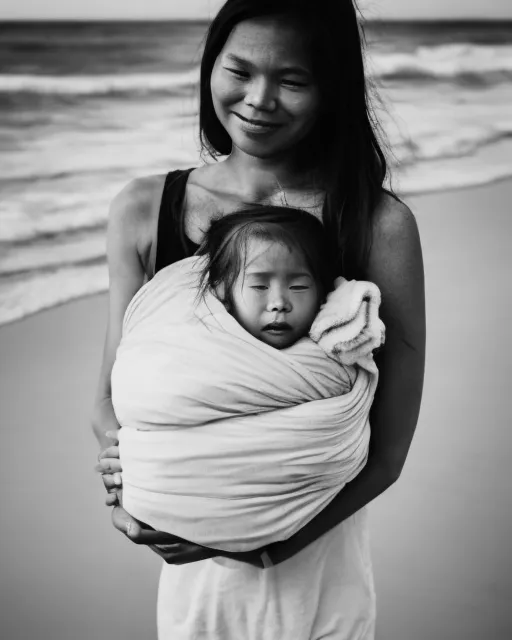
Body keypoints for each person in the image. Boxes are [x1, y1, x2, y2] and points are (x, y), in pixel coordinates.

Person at [93, 0, 426, 637]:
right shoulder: (144, 210)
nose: (259, 99)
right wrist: (125, 499)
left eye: (292, 80)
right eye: (239, 71)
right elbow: (109, 398)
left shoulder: (378, 226)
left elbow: (385, 455)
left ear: (332, 89)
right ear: (210, 68)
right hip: (193, 583)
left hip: (320, 578)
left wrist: (267, 548)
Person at [111, 205, 383, 557]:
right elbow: (143, 400)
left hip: (316, 539)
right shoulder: (198, 356)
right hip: (191, 549)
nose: (279, 303)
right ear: (224, 294)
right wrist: (124, 466)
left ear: (323, 293)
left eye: (299, 285)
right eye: (258, 285)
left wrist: (267, 556)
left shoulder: (335, 354)